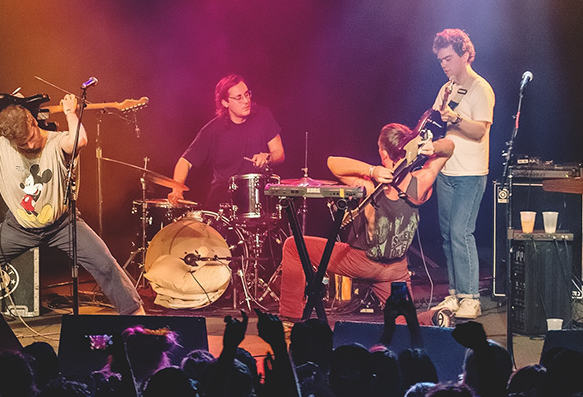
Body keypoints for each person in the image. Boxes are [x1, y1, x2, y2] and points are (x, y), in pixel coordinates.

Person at [0, 93, 145, 315]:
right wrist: (7, 103)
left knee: (105, 264)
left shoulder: (57, 141)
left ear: (33, 122)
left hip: (63, 225)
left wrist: (70, 113)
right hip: (18, 228)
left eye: (31, 136)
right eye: (22, 143)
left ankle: (138, 319)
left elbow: (80, 140)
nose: (29, 144)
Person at [278, 123, 454, 320]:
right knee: (404, 322)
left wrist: (372, 170)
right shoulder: (420, 182)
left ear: (384, 154)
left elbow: (332, 163)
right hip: (395, 272)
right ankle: (433, 318)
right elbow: (449, 148)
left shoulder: (370, 185)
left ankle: (291, 316)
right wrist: (433, 148)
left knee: (293, 246)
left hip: (361, 262)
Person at [428, 29, 495, 319]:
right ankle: (455, 294)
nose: (444, 64)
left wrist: (454, 117)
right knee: (447, 235)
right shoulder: (446, 88)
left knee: (460, 232)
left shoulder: (481, 88)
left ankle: (472, 298)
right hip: (447, 171)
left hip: (470, 173)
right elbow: (434, 121)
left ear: (465, 54)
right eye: (440, 60)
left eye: (448, 58)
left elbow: (480, 130)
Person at [167, 74, 285, 209]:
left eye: (247, 94)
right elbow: (185, 161)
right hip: (222, 198)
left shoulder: (263, 116)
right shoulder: (212, 130)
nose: (246, 101)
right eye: (239, 98)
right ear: (225, 102)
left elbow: (279, 153)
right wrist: (177, 190)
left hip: (257, 196)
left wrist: (267, 157)